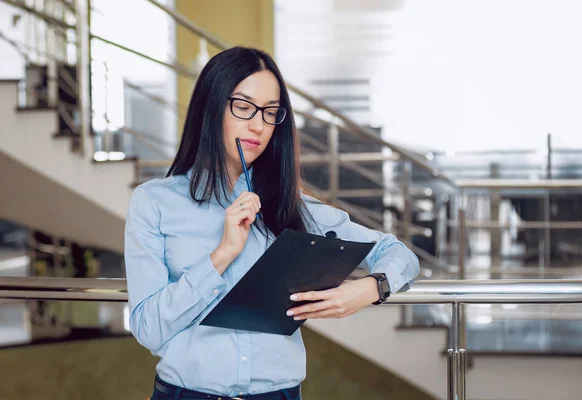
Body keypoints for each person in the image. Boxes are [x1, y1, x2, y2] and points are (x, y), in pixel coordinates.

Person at [124, 46, 419, 400]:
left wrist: (370, 289)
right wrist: (221, 255)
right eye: (244, 107)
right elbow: (147, 329)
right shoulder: (155, 202)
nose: (258, 125)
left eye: (269, 112)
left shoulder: (297, 207)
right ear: (210, 106)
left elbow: (397, 253)